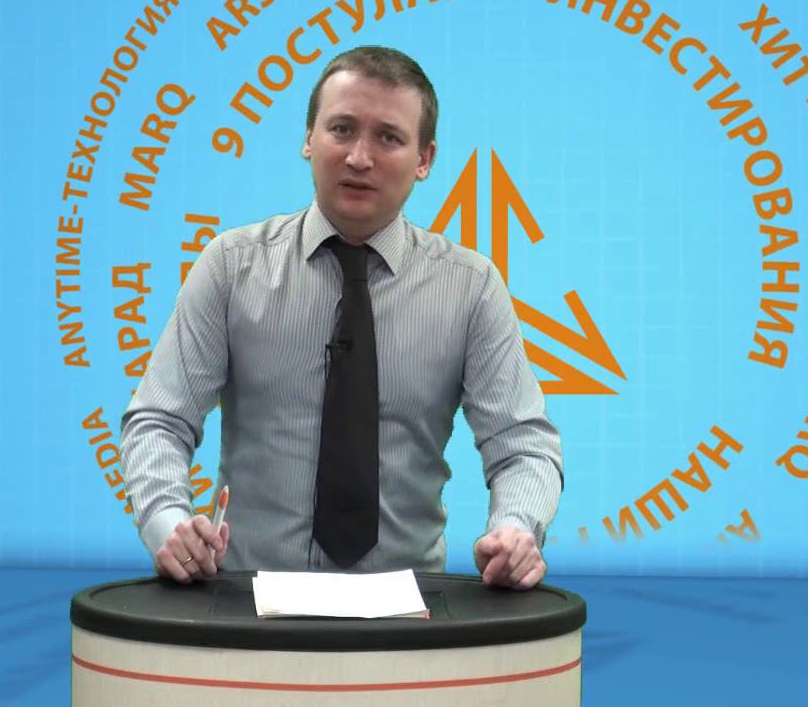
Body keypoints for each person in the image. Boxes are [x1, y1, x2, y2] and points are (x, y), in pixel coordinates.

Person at [121, 46, 562, 591]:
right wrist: (168, 522)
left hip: (409, 608)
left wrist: (516, 529)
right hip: (245, 602)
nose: (358, 157)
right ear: (309, 138)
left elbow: (523, 446)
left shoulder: (470, 288)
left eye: (388, 138)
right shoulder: (231, 267)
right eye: (342, 129)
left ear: (424, 159)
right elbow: (159, 421)